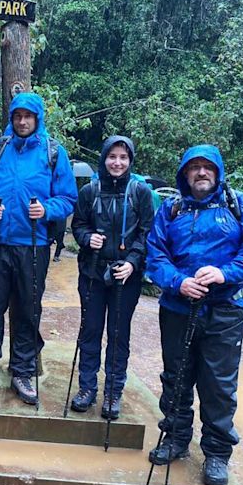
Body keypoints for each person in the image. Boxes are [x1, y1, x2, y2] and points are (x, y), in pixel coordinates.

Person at [146, 145, 243, 485]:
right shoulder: (171, 209)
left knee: (218, 384)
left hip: (226, 308)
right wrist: (179, 282)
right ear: (185, 174)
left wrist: (224, 272)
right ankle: (175, 438)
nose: (201, 173)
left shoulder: (240, 205)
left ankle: (217, 453)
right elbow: (155, 256)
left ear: (217, 172)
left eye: (207, 168)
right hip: (178, 307)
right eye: (194, 168)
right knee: (176, 376)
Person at [0, 92, 78, 405]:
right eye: (18, 116)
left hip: (34, 244)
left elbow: (68, 198)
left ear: (37, 118)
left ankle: (23, 371)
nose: (22, 121)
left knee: (28, 310)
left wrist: (46, 209)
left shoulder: (53, 152)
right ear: (12, 118)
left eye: (28, 116)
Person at [70, 136, 154, 419]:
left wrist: (132, 263)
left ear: (130, 161)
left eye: (123, 158)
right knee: (90, 331)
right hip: (92, 272)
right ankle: (87, 388)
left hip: (126, 275)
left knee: (118, 335)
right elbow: (78, 224)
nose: (117, 163)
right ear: (104, 158)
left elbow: (146, 233)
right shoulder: (90, 191)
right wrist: (86, 238)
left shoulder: (140, 192)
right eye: (112, 157)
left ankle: (113, 392)